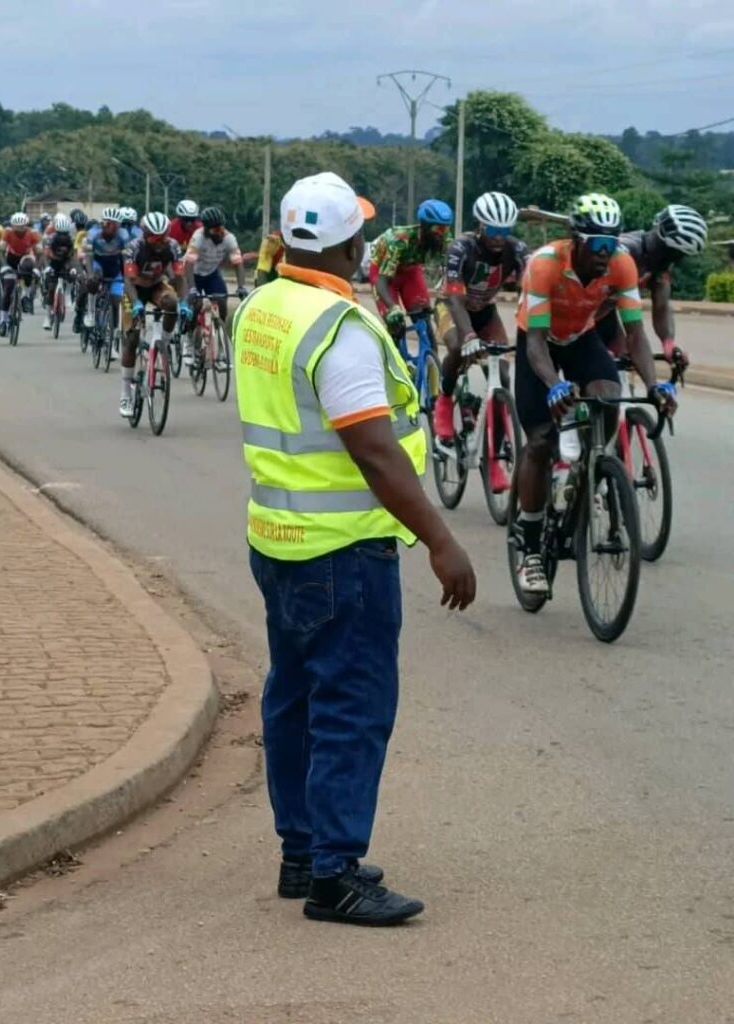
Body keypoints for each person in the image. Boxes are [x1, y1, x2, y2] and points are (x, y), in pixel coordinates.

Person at [233, 171, 476, 926]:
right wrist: (441, 540)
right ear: (349, 247)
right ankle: (334, 875)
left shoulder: (263, 306)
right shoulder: (336, 329)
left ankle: (302, 853)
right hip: (343, 550)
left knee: (294, 695)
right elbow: (374, 449)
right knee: (351, 705)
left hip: (278, 538)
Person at [514, 192, 677, 594]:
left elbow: (635, 333)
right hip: (538, 342)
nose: (607, 252)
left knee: (607, 393)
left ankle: (590, 469)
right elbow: (536, 343)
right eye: (599, 243)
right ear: (577, 241)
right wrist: (554, 386)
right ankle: (530, 548)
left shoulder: (621, 264)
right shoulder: (545, 264)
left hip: (581, 337)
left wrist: (655, 385)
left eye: (613, 242)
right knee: (539, 441)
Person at [433, 191, 527, 442]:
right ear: (480, 226)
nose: (499, 237)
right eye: (493, 230)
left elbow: (529, 293)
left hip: (485, 311)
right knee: (457, 347)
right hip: (451, 306)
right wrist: (469, 335)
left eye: (504, 231)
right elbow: (455, 298)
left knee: (503, 375)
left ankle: (494, 446)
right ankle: (444, 400)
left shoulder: (517, 250)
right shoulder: (460, 248)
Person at [595, 203, 707, 367]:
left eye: (677, 256)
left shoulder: (660, 264)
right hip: (574, 310)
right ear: (658, 235)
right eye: (669, 252)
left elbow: (661, 306)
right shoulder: (625, 250)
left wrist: (668, 344)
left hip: (603, 315)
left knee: (625, 356)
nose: (670, 260)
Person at [121, 212, 187, 417]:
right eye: (154, 238)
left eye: (163, 238)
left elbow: (180, 277)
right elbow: (129, 281)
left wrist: (184, 302)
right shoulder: (133, 248)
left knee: (172, 303)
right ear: (144, 234)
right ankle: (125, 393)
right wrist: (136, 304)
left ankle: (163, 344)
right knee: (132, 338)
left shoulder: (173, 246)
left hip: (156, 285)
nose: (159, 243)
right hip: (134, 289)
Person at [368, 199, 453, 339]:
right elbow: (382, 281)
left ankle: (429, 352)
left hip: (410, 271)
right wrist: (393, 308)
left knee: (423, 317)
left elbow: (451, 275)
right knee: (395, 322)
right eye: (438, 229)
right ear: (424, 226)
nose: (442, 234)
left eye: (446, 229)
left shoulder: (445, 240)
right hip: (383, 273)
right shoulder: (400, 240)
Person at [183, 206, 247, 363]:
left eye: (221, 228)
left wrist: (241, 286)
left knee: (222, 302)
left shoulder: (229, 238)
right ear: (206, 229)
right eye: (215, 229)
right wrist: (192, 288)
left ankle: (221, 344)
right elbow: (188, 265)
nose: (219, 232)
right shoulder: (198, 238)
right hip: (194, 274)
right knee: (196, 304)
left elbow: (238, 263)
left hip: (212, 274)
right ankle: (189, 340)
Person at [74, 207, 129, 334]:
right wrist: (90, 275)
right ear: (102, 223)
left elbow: (125, 259)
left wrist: (127, 277)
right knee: (91, 283)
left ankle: (114, 331)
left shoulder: (123, 236)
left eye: (114, 224)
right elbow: (89, 257)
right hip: (97, 265)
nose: (110, 226)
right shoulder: (93, 234)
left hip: (114, 268)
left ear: (118, 225)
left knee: (117, 299)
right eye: (107, 223)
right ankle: (90, 313)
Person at [0, 212, 43, 336]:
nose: (20, 230)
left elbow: (40, 253)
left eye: (22, 227)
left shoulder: (32, 233)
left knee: (28, 269)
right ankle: (3, 320)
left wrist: (37, 268)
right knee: (7, 290)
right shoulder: (7, 232)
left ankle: (26, 296)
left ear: (26, 225)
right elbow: (1, 252)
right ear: (12, 226)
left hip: (25, 257)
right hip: (10, 258)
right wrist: (4, 266)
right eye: (17, 227)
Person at [41, 214, 76, 330]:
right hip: (53, 263)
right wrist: (47, 266)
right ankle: (47, 317)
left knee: (72, 275)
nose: (63, 236)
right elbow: (46, 253)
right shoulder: (50, 238)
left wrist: (73, 267)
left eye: (65, 234)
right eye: (60, 234)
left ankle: (68, 294)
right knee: (51, 288)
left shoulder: (70, 239)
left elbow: (73, 255)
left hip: (65, 262)